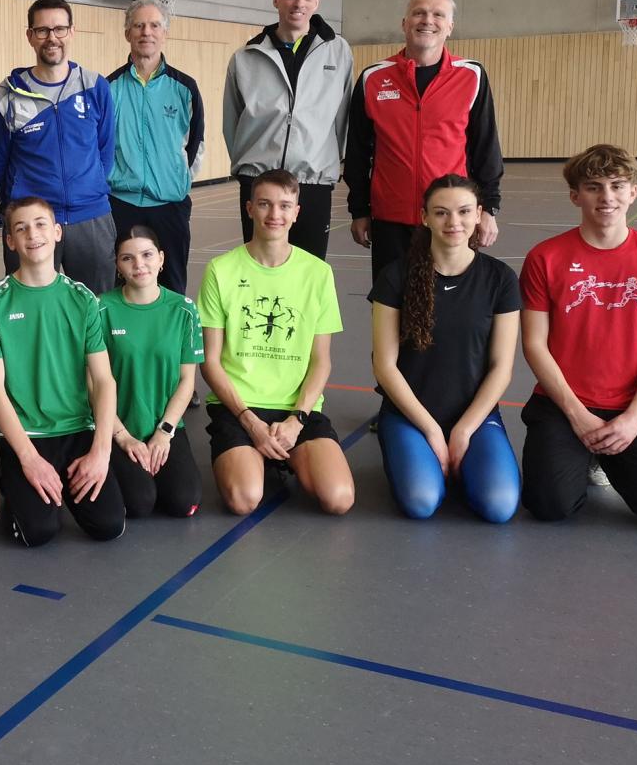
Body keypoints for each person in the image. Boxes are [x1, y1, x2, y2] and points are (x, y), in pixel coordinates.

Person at [519, 145, 637, 530]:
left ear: (633, 192)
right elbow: (534, 344)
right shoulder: (545, 258)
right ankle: (592, 454)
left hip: (634, 406)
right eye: (593, 187)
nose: (606, 197)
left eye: (617, 185)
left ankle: (621, 451)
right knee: (549, 505)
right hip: (563, 404)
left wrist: (635, 417)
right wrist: (577, 415)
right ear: (575, 196)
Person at [198, 170, 353, 517]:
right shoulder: (220, 270)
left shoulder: (318, 273)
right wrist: (250, 422)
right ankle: (255, 455)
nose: (274, 214)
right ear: (249, 208)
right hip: (239, 407)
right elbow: (210, 362)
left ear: (297, 212)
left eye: (284, 206)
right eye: (265, 204)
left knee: (339, 498)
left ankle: (283, 455)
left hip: (295, 408)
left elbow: (321, 361)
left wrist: (298, 419)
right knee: (244, 499)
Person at [369, 176, 521, 522]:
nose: (454, 222)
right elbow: (385, 365)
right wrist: (432, 431)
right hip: (410, 415)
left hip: (475, 416)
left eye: (464, 211)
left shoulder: (500, 278)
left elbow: (502, 367)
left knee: (499, 506)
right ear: (424, 217)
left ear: (479, 214)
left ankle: (466, 463)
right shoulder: (396, 276)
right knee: (421, 502)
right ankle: (421, 458)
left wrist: (464, 430)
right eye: (441, 212)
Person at [0, 197, 124, 546]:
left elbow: (104, 380)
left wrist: (101, 452)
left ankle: (61, 482)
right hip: (25, 434)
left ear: (57, 232)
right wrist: (28, 458)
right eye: (21, 228)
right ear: (10, 241)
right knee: (38, 532)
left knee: (109, 525)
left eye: (41, 224)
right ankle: (10, 473)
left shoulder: (83, 299)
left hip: (77, 428)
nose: (33, 234)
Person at [345, 0, 504, 282]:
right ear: (404, 23)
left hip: (451, 220)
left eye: (438, 14)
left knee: (450, 302)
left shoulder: (471, 76)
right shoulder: (373, 78)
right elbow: (357, 153)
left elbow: (486, 149)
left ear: (450, 27)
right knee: (392, 302)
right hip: (390, 220)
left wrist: (489, 208)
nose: (427, 20)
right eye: (419, 13)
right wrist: (359, 210)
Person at [221, 0, 354, 259]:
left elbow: (344, 115)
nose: (299, 3)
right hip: (259, 181)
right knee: (259, 266)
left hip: (313, 182)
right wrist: (249, 165)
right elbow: (233, 120)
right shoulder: (246, 57)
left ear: (317, 2)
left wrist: (329, 161)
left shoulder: (339, 52)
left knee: (309, 270)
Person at [0, 0, 117, 293]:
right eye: (42, 30)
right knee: (30, 305)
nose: (52, 38)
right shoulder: (9, 94)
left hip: (90, 215)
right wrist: (20, 203)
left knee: (96, 306)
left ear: (72, 32)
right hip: (31, 221)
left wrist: (89, 188)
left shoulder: (95, 86)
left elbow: (105, 151)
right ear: (30, 36)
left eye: (59, 29)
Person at [100, 227, 204, 519]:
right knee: (139, 503)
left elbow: (186, 381)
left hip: (165, 425)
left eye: (147, 255)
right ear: (118, 265)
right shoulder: (100, 309)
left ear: (161, 259)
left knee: (183, 501)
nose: (139, 264)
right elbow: (93, 384)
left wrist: (164, 433)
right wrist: (122, 437)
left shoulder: (184, 310)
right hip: (116, 427)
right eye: (127, 258)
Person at [106, 0, 205, 293]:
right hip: (121, 205)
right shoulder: (108, 88)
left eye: (154, 25)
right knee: (123, 288)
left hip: (170, 206)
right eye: (138, 25)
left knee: (172, 287)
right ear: (127, 33)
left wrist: (175, 182)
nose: (146, 32)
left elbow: (195, 144)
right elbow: (100, 146)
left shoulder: (185, 88)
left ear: (165, 33)